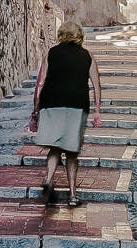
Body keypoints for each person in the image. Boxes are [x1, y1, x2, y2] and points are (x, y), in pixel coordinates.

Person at [28, 22, 103, 207]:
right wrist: (97, 111)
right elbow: (96, 85)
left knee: (54, 148)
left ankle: (48, 180)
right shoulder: (87, 56)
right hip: (76, 106)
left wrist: (36, 109)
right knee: (71, 152)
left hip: (51, 104)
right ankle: (72, 195)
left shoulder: (51, 54)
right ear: (80, 36)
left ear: (60, 34)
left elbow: (40, 83)